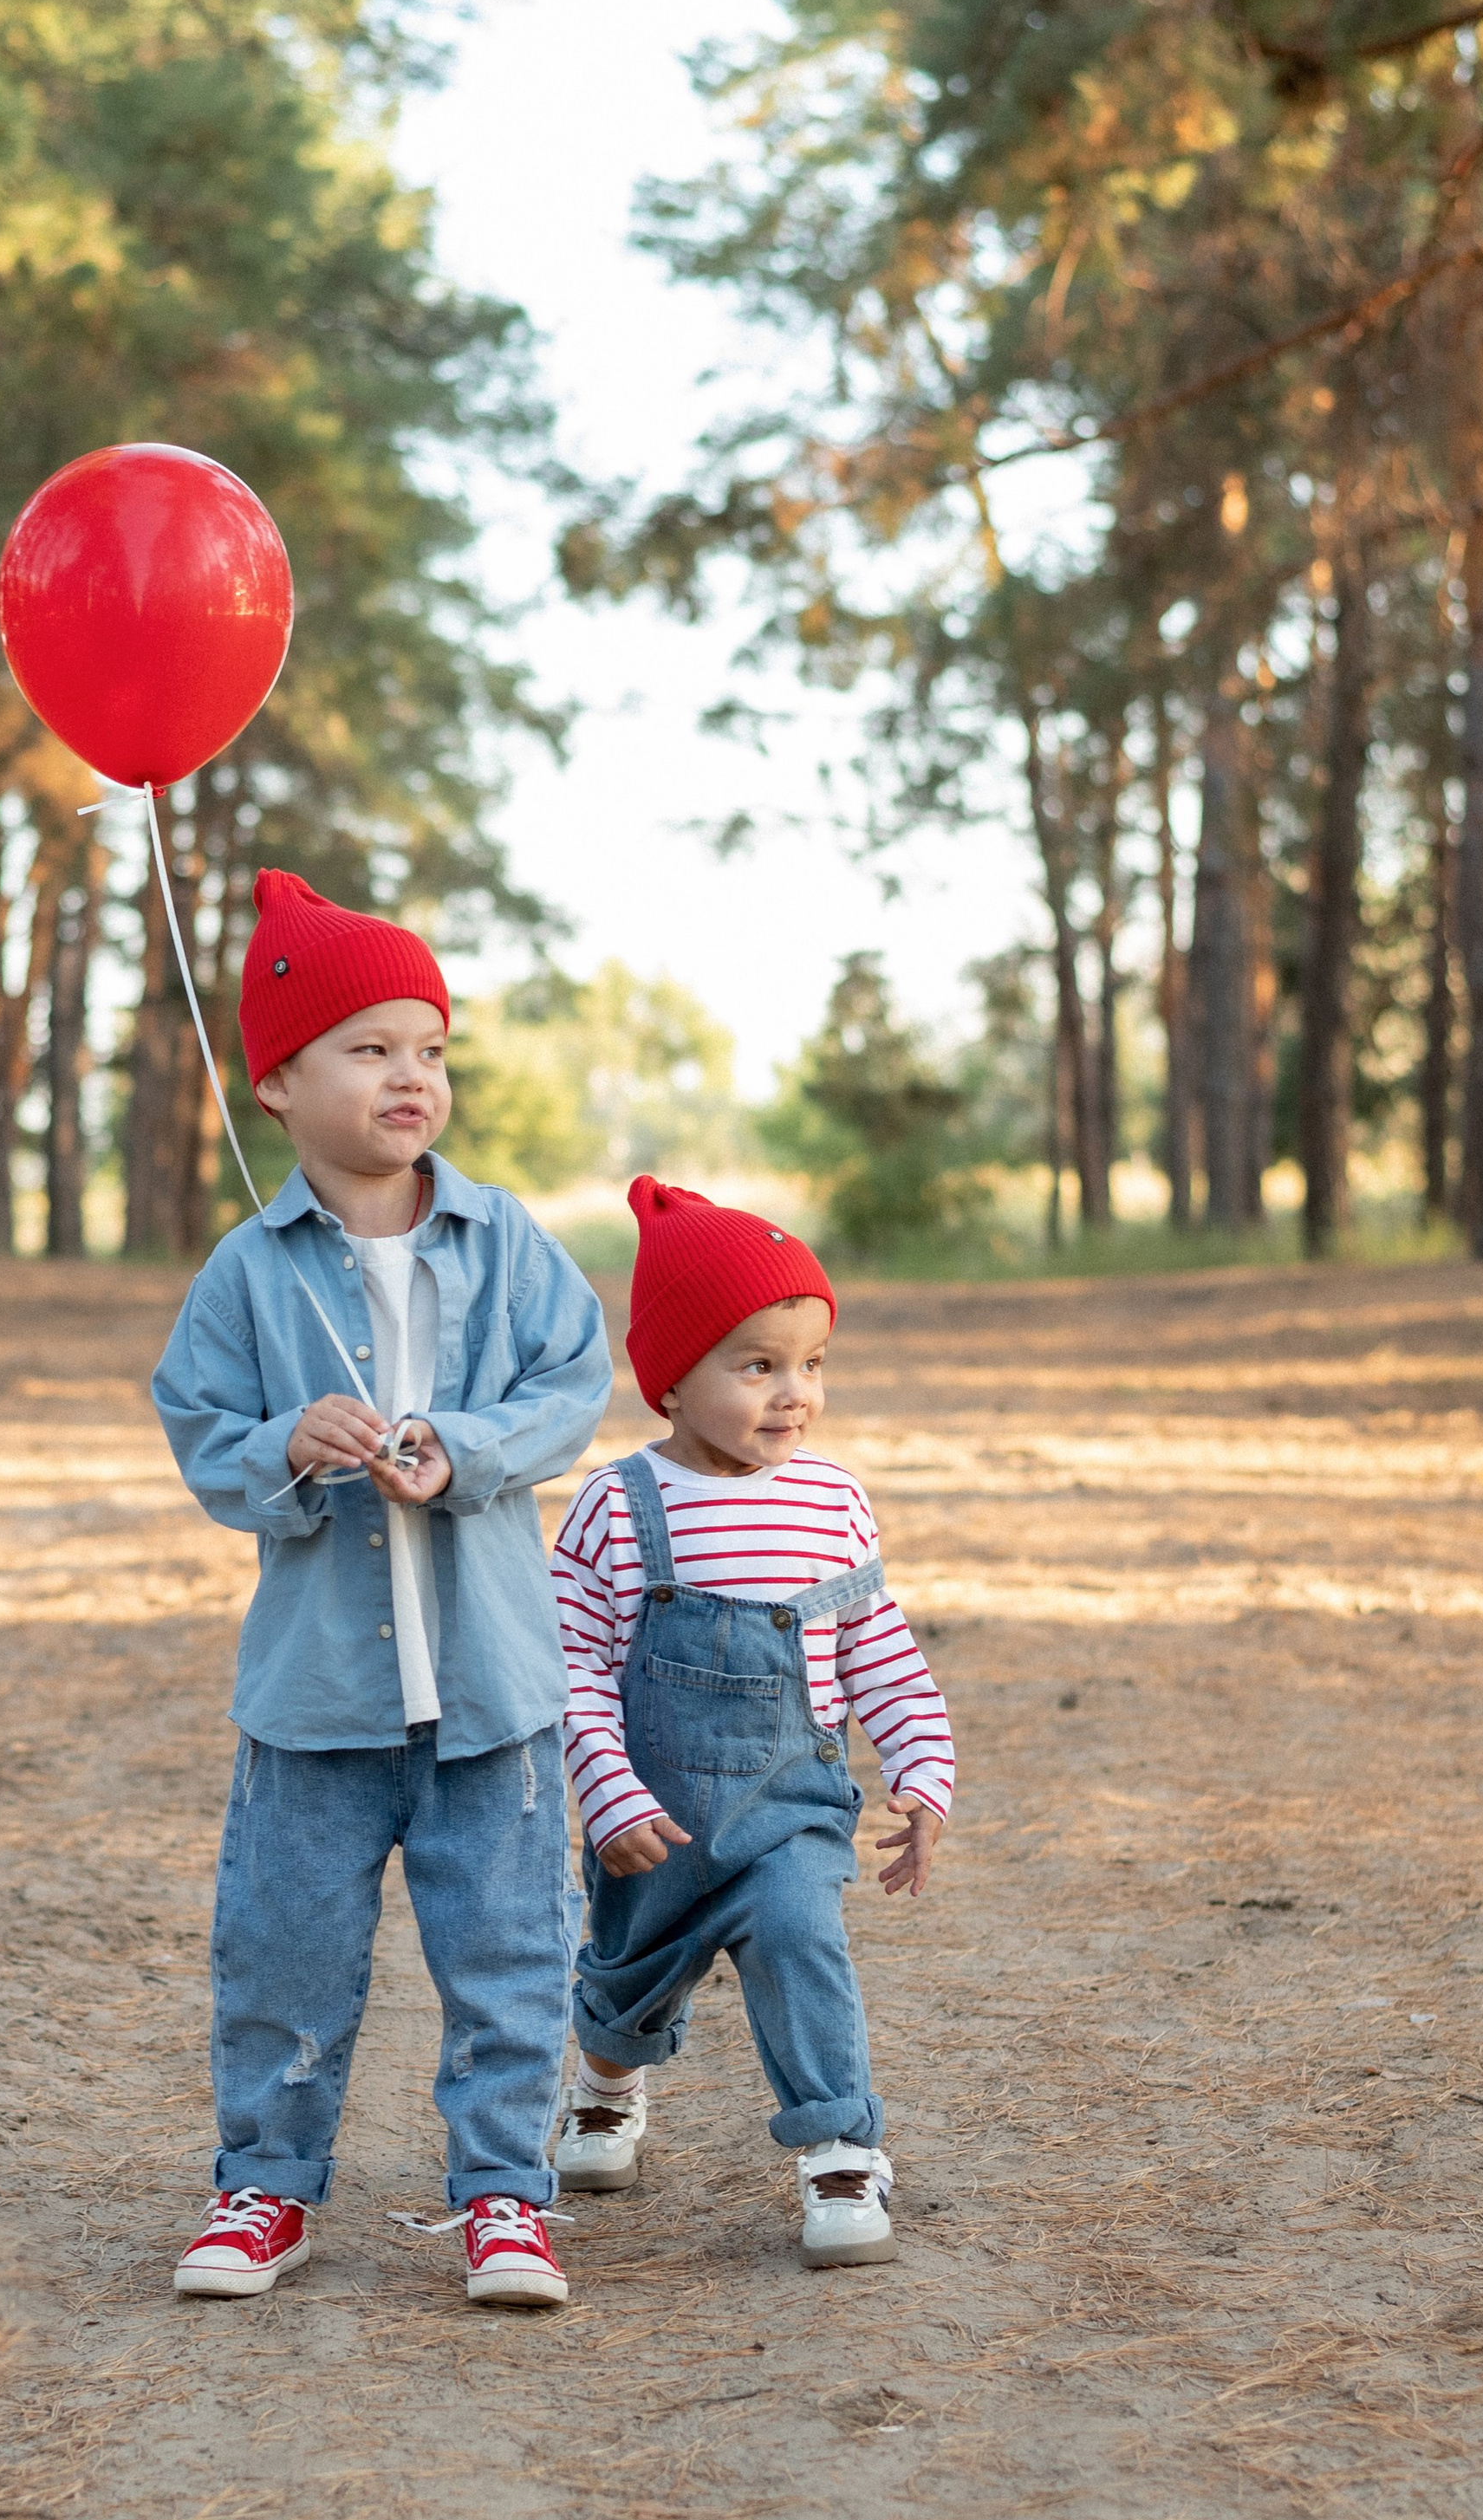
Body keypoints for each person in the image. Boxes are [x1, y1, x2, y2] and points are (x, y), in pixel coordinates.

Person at [152, 870, 615, 2309]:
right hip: (318, 1698)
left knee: (509, 1949)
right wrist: (290, 1443)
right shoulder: (251, 1268)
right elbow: (199, 1423)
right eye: (369, 1046)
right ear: (280, 1080)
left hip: (489, 1688)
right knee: (285, 1948)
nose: (410, 1074)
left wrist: (459, 1447)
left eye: (430, 1046)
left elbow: (571, 1382)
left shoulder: (503, 1238)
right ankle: (263, 2188)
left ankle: (503, 2197)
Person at [548, 1176, 954, 2266]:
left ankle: (838, 2152)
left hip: (788, 1809)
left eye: (812, 1363)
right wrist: (607, 1789)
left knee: (798, 1940)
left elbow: (877, 1647)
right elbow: (571, 1665)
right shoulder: (617, 1505)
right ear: (671, 1381)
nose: (794, 1394)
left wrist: (921, 1769)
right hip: (655, 1818)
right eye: (758, 1364)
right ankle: (604, 2086)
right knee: (629, 1976)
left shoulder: (831, 1502)